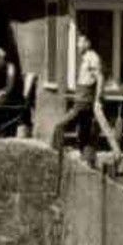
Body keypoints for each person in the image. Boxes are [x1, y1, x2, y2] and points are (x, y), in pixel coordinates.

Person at [50, 33, 104, 163]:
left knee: (59, 126)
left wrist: (97, 100)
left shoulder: (93, 58)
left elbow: (100, 78)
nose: (77, 45)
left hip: (84, 101)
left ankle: (53, 155)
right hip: (81, 99)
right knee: (84, 134)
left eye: (80, 42)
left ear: (88, 43)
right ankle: (87, 161)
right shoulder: (86, 57)